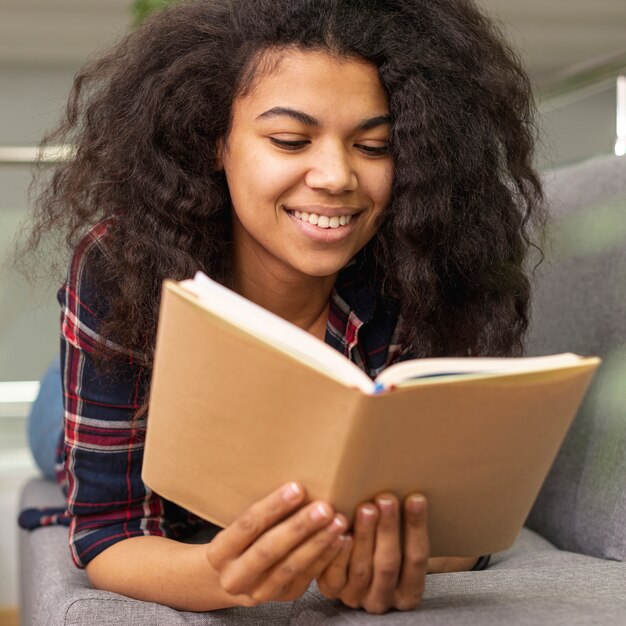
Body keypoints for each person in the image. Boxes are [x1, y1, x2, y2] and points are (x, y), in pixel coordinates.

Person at [20, 0, 545, 614]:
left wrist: (395, 560)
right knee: (55, 427)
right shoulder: (123, 263)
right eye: (291, 140)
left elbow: (466, 525)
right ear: (214, 141)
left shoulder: (427, 266)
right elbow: (106, 532)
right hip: (95, 384)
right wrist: (219, 573)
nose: (335, 176)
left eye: (374, 147)